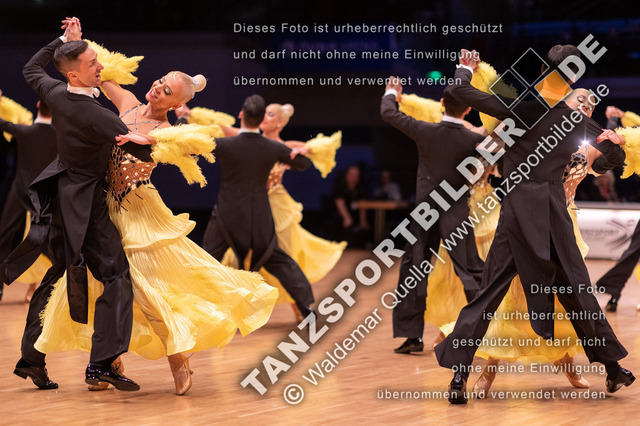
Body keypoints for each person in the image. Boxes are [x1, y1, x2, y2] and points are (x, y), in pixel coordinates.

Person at [33, 35, 279, 395]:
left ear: (177, 105)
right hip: (104, 207)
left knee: (146, 288)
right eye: (160, 82)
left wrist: (151, 140)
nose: (156, 90)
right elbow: (96, 72)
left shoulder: (167, 131)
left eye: (166, 92)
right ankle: (109, 360)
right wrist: (75, 40)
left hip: (139, 210)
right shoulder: (127, 102)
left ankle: (178, 356)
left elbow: (190, 143)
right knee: (102, 284)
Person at [434, 46, 634, 404]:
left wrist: (465, 69)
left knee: (488, 296)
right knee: (577, 292)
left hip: (516, 213)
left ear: (543, 69)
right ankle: (613, 368)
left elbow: (460, 92)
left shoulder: (521, 107)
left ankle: (459, 376)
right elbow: (613, 156)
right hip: (554, 213)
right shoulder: (575, 121)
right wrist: (617, 139)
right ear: (572, 78)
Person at [0, 17, 139, 391]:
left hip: (60, 196)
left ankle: (31, 360)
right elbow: (140, 146)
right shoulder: (97, 115)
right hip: (86, 205)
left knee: (55, 275)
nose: (101, 66)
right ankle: (102, 363)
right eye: (93, 63)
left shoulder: (56, 92)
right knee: (115, 275)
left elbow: (31, 68)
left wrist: (64, 40)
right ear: (74, 75)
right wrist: (160, 137)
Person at [381, 79, 485, 355]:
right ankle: (485, 333)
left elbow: (388, 113)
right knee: (471, 270)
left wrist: (392, 92)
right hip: (456, 211)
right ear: (468, 111)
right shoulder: (473, 139)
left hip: (425, 211)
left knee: (413, 268)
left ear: (441, 105)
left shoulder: (424, 129)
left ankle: (412, 336)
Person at [227, 102, 346, 320]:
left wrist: (306, 149)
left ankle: (299, 305)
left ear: (280, 122)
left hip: (277, 204)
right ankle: (236, 308)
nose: (264, 117)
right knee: (242, 255)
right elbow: (224, 130)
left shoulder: (285, 145)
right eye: (264, 113)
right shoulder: (249, 137)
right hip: (249, 203)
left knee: (285, 254)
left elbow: (325, 145)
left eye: (271, 114)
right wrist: (193, 115)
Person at [202, 94, 315, 318]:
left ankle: (200, 311)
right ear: (262, 118)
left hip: (227, 215)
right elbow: (303, 164)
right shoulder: (273, 147)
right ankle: (306, 307)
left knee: (208, 261)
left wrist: (182, 121)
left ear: (241, 115)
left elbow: (192, 147)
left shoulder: (224, 144)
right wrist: (298, 152)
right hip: (259, 217)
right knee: (277, 259)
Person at [0, 99, 56, 303]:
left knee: (4, 237)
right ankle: (64, 286)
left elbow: (3, 124)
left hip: (19, 193)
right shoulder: (59, 136)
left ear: (38, 104)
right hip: (44, 196)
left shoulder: (24, 131)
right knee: (50, 243)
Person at [333, 164, 370, 248]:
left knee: (364, 229)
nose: (353, 177)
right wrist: (346, 218)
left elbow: (362, 205)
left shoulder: (360, 188)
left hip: (355, 216)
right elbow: (340, 204)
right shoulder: (340, 187)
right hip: (341, 217)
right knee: (346, 226)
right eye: (351, 174)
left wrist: (363, 221)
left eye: (356, 175)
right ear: (346, 175)